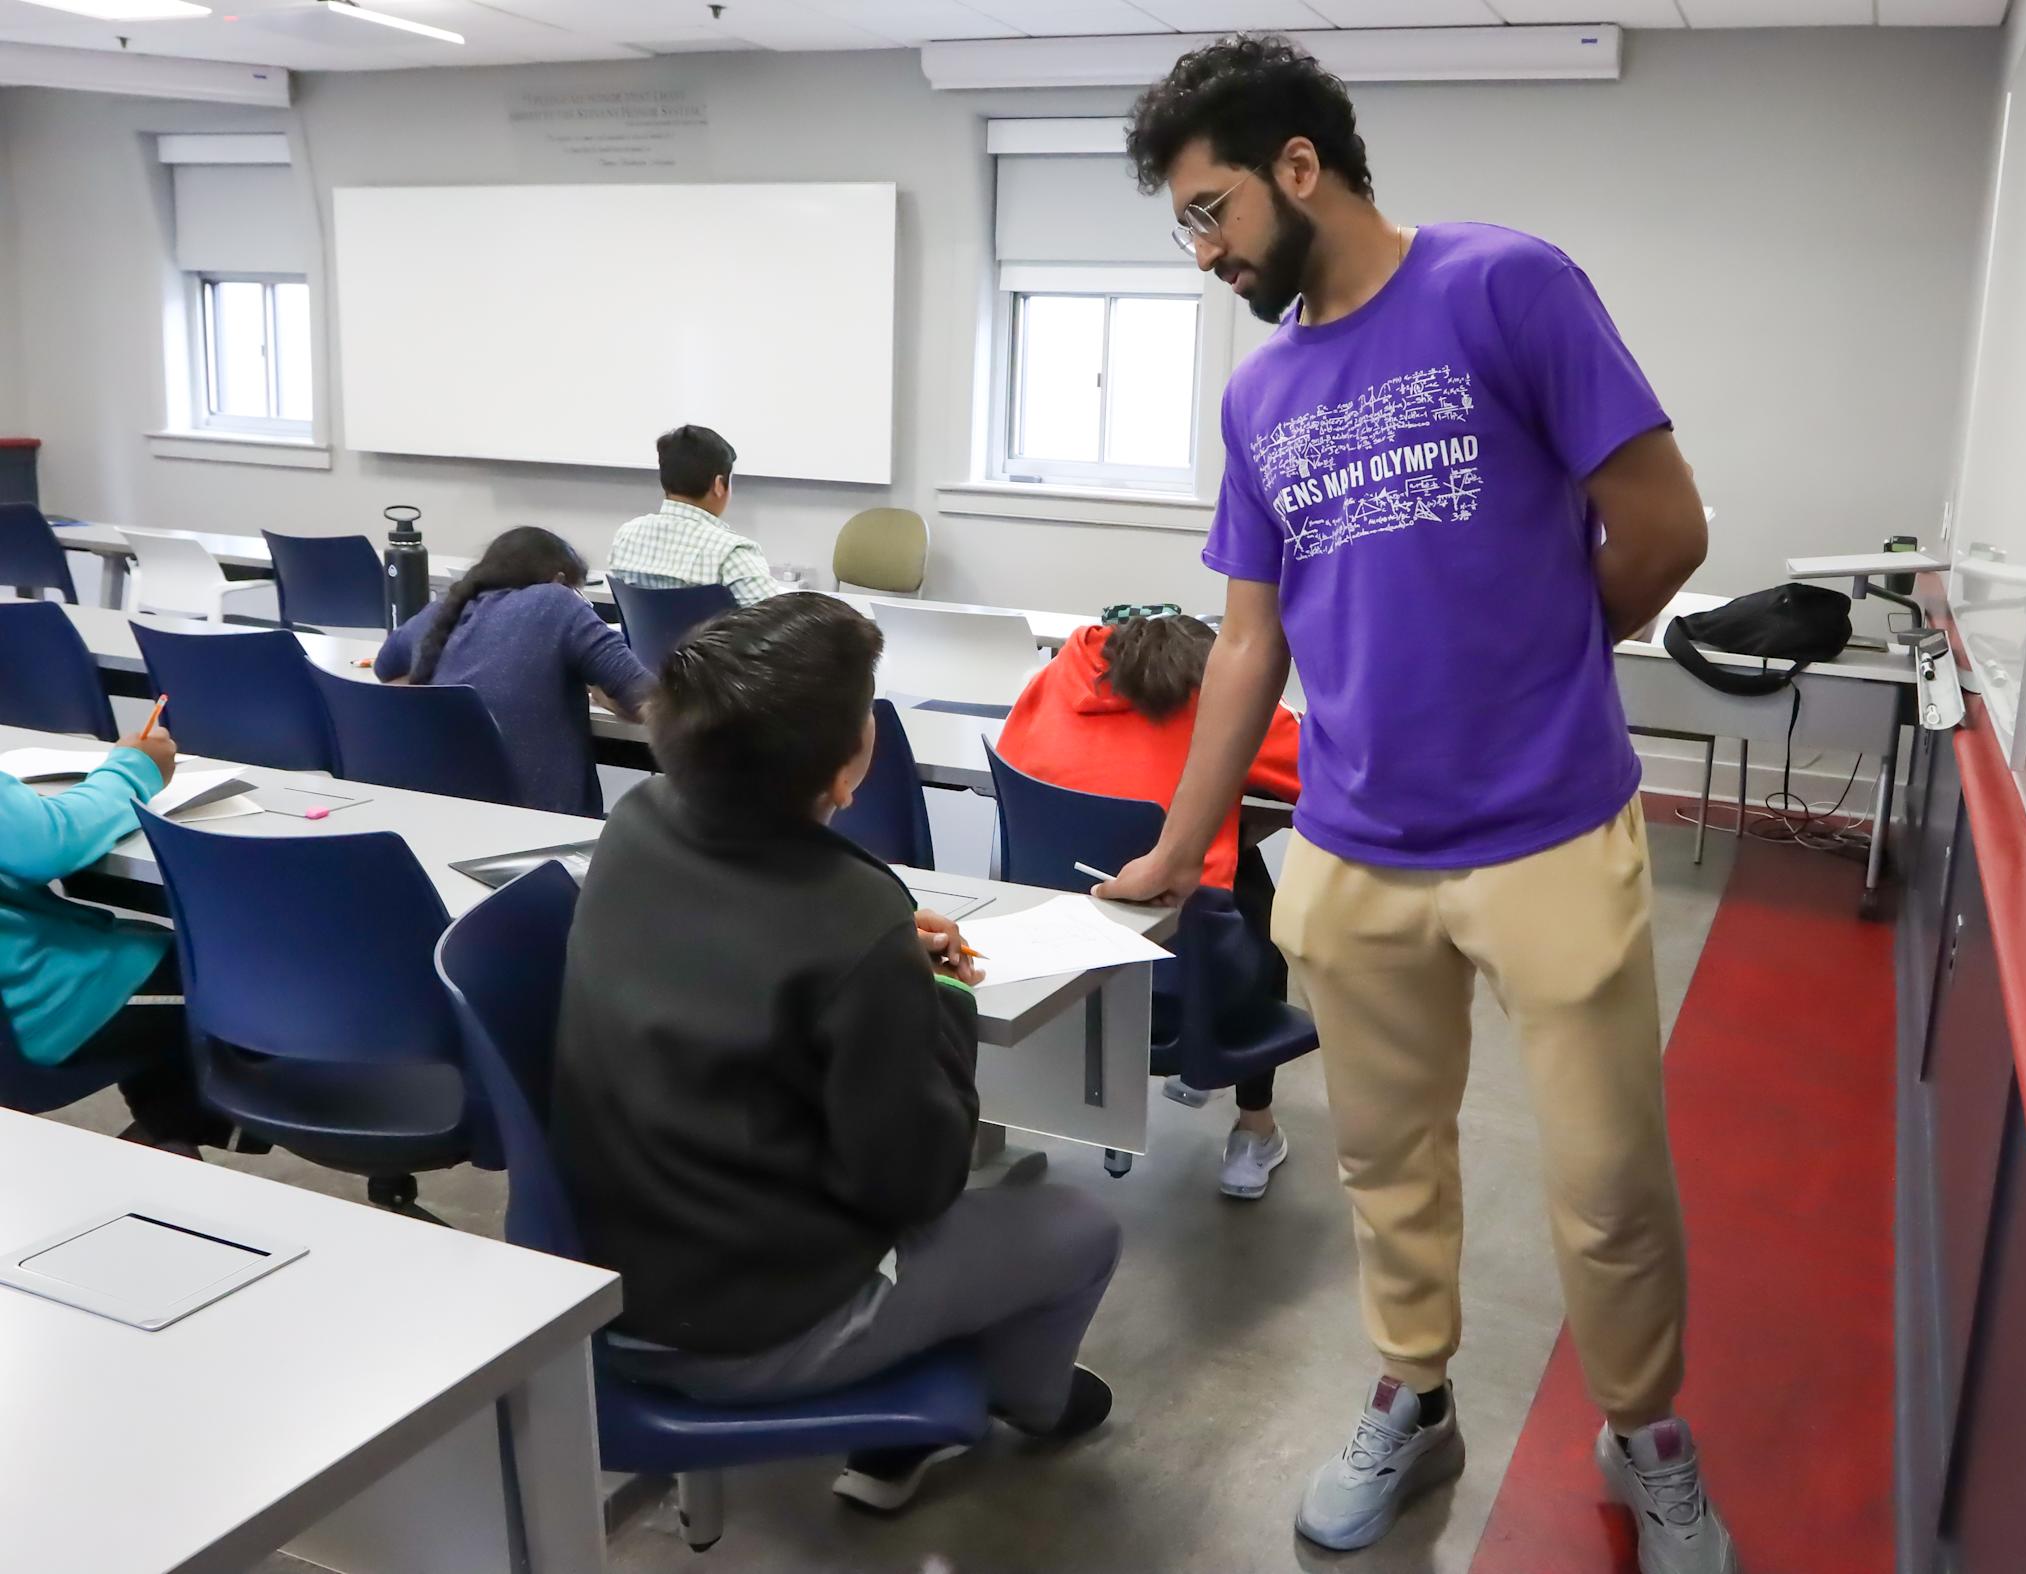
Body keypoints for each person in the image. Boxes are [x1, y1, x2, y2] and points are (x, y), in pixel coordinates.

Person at [1109, 36, 1734, 1570]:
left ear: (1298, 167)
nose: (1205, 253)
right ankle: (1414, 1390)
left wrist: (1532, 652)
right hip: (1353, 847)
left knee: (1605, 1183)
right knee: (1389, 1164)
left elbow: (1663, 527)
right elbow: (1251, 633)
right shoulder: (1261, 398)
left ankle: (1645, 1424)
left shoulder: (1505, 286)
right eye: (1185, 225)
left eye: (1210, 212)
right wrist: (1184, 847)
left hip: (1548, 829)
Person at [550, 593, 1121, 1512]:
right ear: (846, 766)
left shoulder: (638, 825)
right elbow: (913, 1185)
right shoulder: (851, 926)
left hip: (617, 1279)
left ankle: (920, 1401)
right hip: (751, 1331)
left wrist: (885, 954)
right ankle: (1023, 1400)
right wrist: (938, 993)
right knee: (1077, 1226)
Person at [996, 611, 1304, 1199]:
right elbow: (1317, 774)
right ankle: (1255, 1127)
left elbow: (1016, 754)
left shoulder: (1056, 680)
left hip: (1051, 957)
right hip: (1182, 968)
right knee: (1261, 899)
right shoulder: (1223, 705)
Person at [1, 727, 236, 1155]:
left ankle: (162, 1147)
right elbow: (45, 843)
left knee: (157, 956)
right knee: (237, 975)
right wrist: (134, 769)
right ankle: (166, 1150)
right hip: (36, 1015)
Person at [375, 527, 650, 817]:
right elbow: (653, 702)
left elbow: (387, 673)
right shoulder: (557, 603)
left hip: (449, 821)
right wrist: (605, 696)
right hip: (547, 830)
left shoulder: (439, 613)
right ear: (558, 581)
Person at [608, 423, 778, 607]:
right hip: (709, 637)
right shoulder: (730, 554)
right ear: (719, 484)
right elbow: (782, 626)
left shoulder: (627, 536)